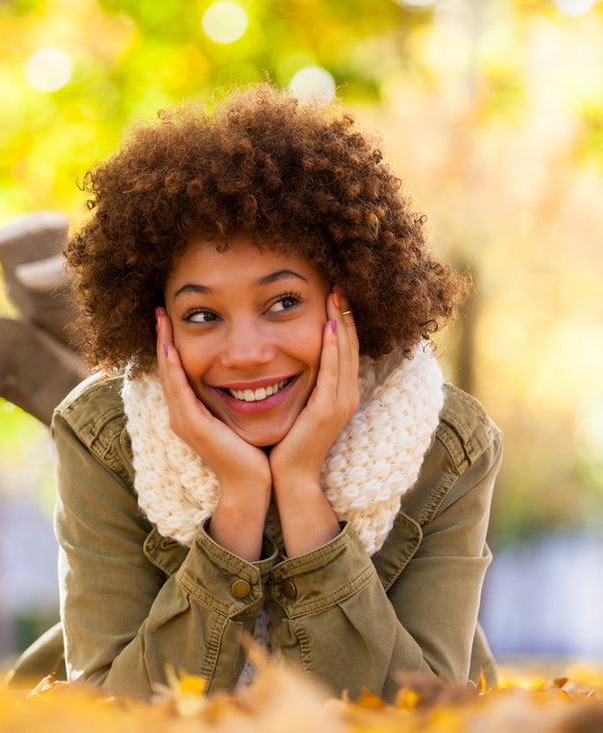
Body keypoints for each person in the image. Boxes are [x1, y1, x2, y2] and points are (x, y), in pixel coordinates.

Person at [48, 84, 502, 701]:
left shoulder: (446, 446)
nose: (245, 353)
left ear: (347, 301)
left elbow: (420, 712)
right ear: (161, 327)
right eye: (202, 315)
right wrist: (238, 500)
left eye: (283, 303)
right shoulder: (102, 436)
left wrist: (299, 488)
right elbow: (114, 711)